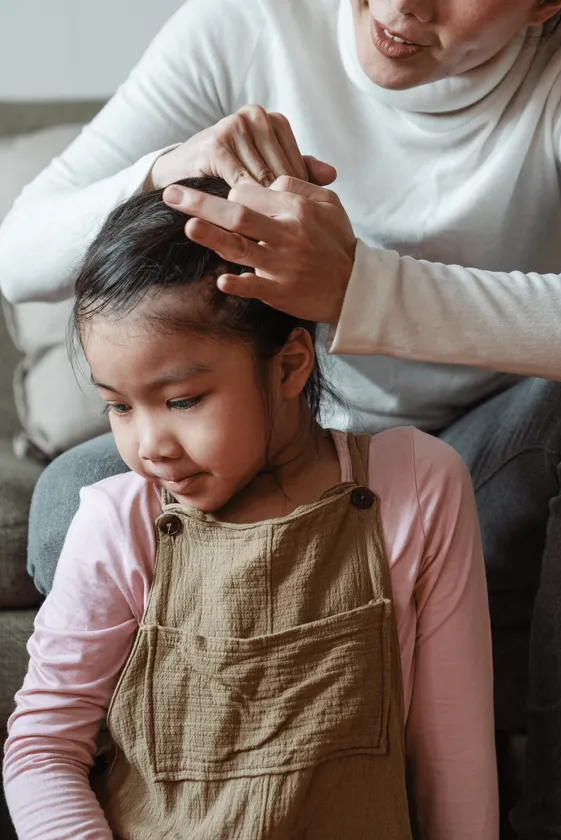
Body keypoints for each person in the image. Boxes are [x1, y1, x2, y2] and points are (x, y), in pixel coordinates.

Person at [0, 0, 561, 835]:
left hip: (472, 452)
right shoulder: (249, 22)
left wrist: (362, 287)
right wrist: (166, 164)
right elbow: (16, 252)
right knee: (72, 495)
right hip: (265, 416)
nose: (402, 5)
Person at [2, 177, 496, 839]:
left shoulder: (416, 485)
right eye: (119, 406)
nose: (149, 446)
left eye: (183, 401)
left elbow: (453, 764)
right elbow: (42, 748)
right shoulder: (116, 524)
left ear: (290, 367)